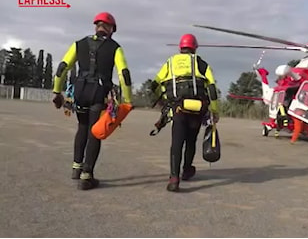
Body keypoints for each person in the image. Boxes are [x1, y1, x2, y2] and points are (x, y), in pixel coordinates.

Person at [51, 12, 133, 190]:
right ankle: (87, 175)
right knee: (95, 132)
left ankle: (76, 167)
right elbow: (123, 74)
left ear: (96, 26)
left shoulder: (78, 44)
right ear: (111, 29)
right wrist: (127, 100)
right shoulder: (115, 48)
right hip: (99, 93)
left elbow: (62, 67)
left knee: (82, 126)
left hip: (80, 91)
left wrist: (57, 91)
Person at [150, 33, 219, 192]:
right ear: (195, 47)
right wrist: (214, 111)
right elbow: (212, 88)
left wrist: (164, 98)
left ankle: (174, 177)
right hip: (198, 108)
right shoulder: (201, 63)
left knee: (177, 142)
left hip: (178, 107)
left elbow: (154, 84)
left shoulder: (170, 62)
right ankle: (187, 170)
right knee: (191, 141)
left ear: (181, 47)